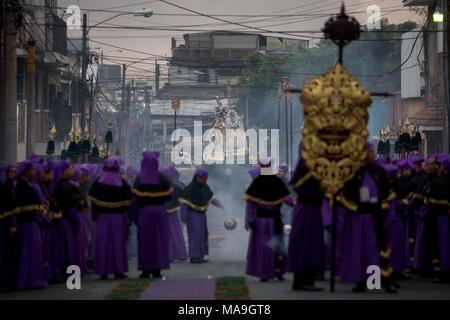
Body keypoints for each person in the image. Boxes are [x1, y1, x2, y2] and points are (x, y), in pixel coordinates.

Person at [339, 143, 397, 293]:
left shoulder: (379, 171)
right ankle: (361, 282)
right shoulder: (354, 172)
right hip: (359, 217)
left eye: (372, 151)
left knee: (379, 250)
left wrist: (387, 214)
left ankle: (384, 282)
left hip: (376, 216)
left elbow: (387, 194)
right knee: (360, 250)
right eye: (368, 152)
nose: (371, 154)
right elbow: (347, 193)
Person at [244, 158, 294, 282]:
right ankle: (277, 272)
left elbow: (250, 205)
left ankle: (267, 273)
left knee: (267, 247)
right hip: (271, 219)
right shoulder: (277, 182)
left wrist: (250, 219)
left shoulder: (257, 183)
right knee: (274, 246)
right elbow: (289, 201)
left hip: (262, 221)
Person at [130, 152, 174, 278]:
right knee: (159, 241)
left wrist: (133, 217)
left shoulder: (139, 179)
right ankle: (157, 270)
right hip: (159, 213)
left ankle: (145, 270)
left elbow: (135, 201)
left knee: (145, 242)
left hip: (145, 213)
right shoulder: (162, 178)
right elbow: (170, 195)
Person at [88, 156, 131, 280]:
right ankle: (118, 271)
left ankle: (103, 272)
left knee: (103, 244)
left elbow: (94, 203)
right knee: (118, 244)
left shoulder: (98, 182)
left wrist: (94, 215)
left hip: (103, 218)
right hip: (118, 218)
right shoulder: (123, 183)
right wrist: (129, 218)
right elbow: (128, 203)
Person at [288, 150, 325, 291]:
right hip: (307, 210)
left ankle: (305, 280)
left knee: (310, 246)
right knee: (307, 245)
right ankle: (304, 281)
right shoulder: (307, 166)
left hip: (310, 209)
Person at [10, 161, 48, 290]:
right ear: (26, 171)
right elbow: (17, 207)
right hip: (26, 224)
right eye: (32, 170)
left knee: (33, 253)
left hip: (33, 223)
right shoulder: (21, 186)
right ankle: (27, 280)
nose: (35, 172)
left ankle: (32, 279)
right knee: (26, 254)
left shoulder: (30, 184)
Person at [179, 167, 224, 263]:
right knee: (194, 236)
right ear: (197, 177)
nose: (204, 179)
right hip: (192, 215)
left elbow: (211, 198)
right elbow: (183, 204)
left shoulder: (205, 187)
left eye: (205, 177)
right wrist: (183, 216)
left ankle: (201, 255)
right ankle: (194, 256)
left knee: (202, 235)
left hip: (202, 215)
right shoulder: (189, 188)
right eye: (202, 177)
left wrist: (219, 204)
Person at [52, 161, 81, 279]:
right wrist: (76, 224)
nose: (72, 170)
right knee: (66, 248)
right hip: (66, 221)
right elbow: (71, 208)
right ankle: (66, 273)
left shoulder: (55, 185)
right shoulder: (68, 187)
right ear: (64, 171)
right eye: (69, 168)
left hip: (57, 221)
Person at [161, 166, 188, 262]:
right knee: (176, 234)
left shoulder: (158, 185)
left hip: (163, 213)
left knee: (166, 235)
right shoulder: (178, 185)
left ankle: (168, 255)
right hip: (174, 213)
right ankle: (178, 254)